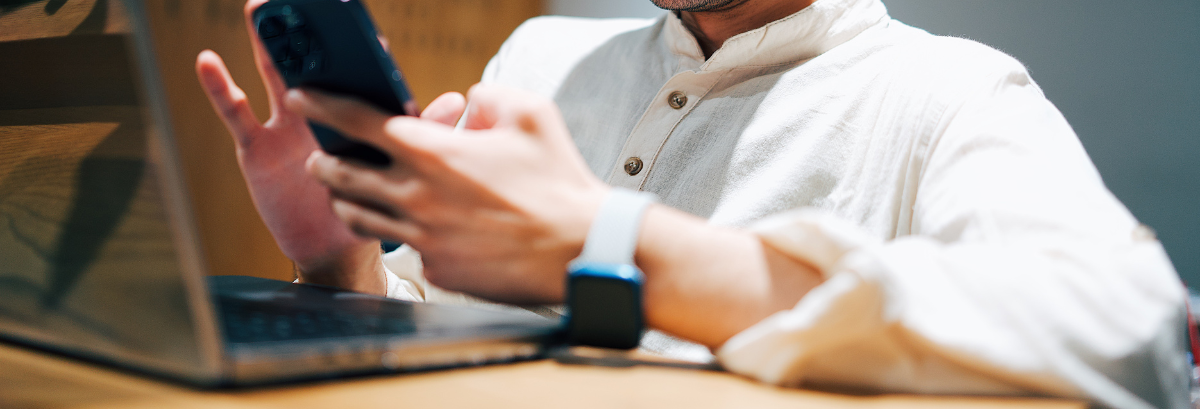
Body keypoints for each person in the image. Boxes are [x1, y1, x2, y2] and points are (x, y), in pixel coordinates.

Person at [195, 0, 1190, 407]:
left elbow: (1138, 336)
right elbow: (433, 325)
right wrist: (341, 261)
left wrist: (612, 242)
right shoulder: (544, 55)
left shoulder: (946, 94)